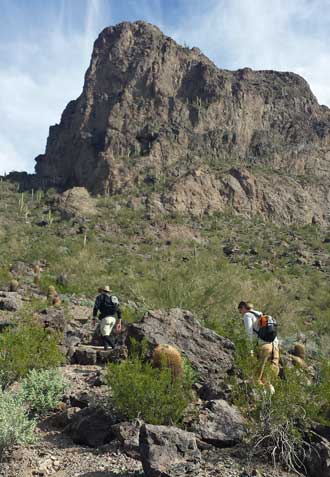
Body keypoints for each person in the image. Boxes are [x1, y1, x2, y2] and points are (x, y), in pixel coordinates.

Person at [238, 301, 280, 386]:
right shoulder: (262, 315)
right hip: (275, 346)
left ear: (243, 308)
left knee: (257, 379)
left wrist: (250, 351)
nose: (241, 314)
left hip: (264, 346)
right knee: (268, 379)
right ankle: (269, 397)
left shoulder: (247, 315)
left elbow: (249, 334)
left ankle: (258, 397)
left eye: (240, 311)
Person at [92, 286, 122, 350]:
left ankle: (114, 347)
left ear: (102, 291)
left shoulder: (100, 297)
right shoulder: (113, 298)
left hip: (106, 319)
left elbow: (95, 308)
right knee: (105, 334)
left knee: (105, 335)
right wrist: (119, 322)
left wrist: (94, 318)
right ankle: (105, 348)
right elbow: (119, 310)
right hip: (113, 319)